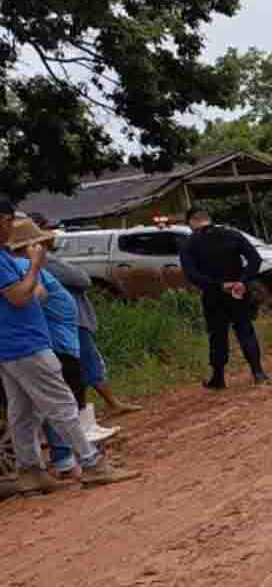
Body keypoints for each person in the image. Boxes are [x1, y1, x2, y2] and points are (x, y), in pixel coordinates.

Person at [0, 201, 138, 492]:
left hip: (13, 344)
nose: (11, 228)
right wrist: (35, 266)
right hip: (25, 343)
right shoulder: (4, 260)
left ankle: (30, 471)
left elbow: (35, 293)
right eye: (9, 221)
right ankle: (91, 464)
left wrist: (31, 277)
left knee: (23, 411)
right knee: (62, 404)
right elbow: (22, 297)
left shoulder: (7, 259)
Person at [36, 215, 142, 416]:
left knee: (78, 365)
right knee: (85, 362)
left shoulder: (44, 259)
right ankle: (103, 406)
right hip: (70, 322)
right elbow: (82, 279)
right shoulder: (46, 261)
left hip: (63, 321)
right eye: (48, 229)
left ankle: (90, 409)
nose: (53, 234)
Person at [179, 205, 271, 390]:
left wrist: (219, 285)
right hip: (238, 292)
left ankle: (218, 378)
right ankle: (258, 372)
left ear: (192, 222)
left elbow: (192, 275)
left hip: (214, 295)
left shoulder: (189, 243)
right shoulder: (232, 234)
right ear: (208, 218)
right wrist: (241, 282)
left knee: (217, 336)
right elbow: (255, 260)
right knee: (245, 329)